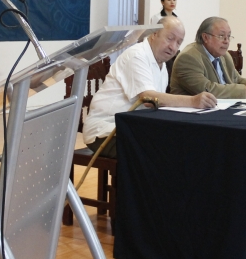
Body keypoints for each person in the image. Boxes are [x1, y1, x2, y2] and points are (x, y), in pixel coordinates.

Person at [83, 17, 216, 157]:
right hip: (107, 131)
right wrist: (193, 101)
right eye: (170, 38)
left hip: (134, 128)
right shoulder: (136, 55)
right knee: (161, 154)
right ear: (154, 34)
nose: (173, 47)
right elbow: (148, 98)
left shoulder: (162, 66)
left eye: (178, 42)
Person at [170, 16, 246, 98]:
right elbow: (207, 90)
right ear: (205, 37)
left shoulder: (224, 55)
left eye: (228, 36)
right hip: (191, 115)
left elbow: (236, 79)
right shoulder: (188, 58)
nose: (226, 41)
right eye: (221, 36)